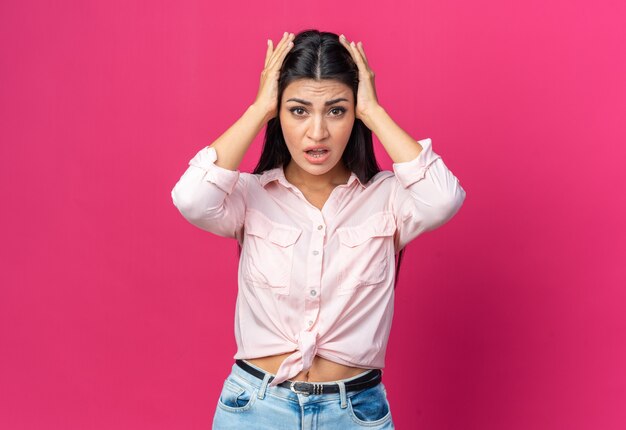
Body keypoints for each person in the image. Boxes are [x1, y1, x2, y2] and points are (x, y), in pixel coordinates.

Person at [171, 29, 466, 429]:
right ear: (279, 112)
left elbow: (443, 198)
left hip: (355, 413)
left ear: (355, 114)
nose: (317, 132)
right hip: (255, 410)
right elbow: (191, 198)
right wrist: (259, 108)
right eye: (298, 110)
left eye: (336, 110)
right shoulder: (249, 196)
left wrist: (374, 112)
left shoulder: (387, 199)